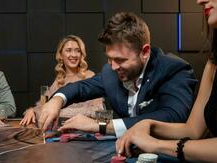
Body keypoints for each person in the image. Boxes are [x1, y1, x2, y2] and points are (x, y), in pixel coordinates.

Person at [38, 11, 197, 137]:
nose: (113, 67)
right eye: (109, 59)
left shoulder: (174, 69)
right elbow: (81, 87)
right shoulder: (110, 71)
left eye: (120, 60)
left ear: (145, 52)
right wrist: (57, 101)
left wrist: (99, 126)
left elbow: (173, 116)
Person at [116, 0, 217, 163]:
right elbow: (193, 130)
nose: (199, 1)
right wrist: (149, 124)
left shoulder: (173, 68)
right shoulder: (216, 61)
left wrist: (157, 145)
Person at [19, 35, 103, 126]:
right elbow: (44, 105)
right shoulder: (59, 79)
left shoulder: (89, 76)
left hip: (83, 133)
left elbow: (98, 111)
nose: (74, 55)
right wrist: (32, 111)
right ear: (60, 55)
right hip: (60, 133)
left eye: (78, 51)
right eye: (68, 50)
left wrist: (58, 111)